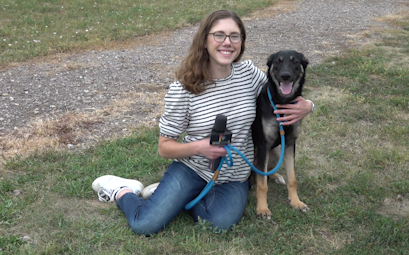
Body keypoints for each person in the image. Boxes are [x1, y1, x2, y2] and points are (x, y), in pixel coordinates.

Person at [92, 9, 314, 235]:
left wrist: (307, 105)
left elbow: (279, 92)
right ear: (205, 40)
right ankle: (123, 190)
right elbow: (164, 146)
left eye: (234, 36)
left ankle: (172, 195)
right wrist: (201, 147)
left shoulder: (249, 74)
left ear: (241, 42)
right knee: (144, 224)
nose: (227, 42)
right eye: (219, 35)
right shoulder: (185, 87)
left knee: (218, 224)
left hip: (234, 176)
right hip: (193, 168)